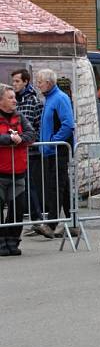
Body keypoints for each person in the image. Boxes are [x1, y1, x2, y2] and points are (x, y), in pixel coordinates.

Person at [11, 69, 51, 238]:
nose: (14, 84)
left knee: (28, 185)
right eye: (13, 81)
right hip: (17, 149)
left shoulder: (32, 100)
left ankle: (37, 220)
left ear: (26, 82)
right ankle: (33, 220)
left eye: (17, 81)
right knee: (23, 186)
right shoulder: (16, 99)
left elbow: (30, 125)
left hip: (29, 149)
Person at [35, 69, 75, 236]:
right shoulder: (51, 98)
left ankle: (51, 224)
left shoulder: (59, 98)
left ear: (49, 83)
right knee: (62, 186)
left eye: (40, 82)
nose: (38, 85)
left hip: (58, 150)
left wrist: (52, 142)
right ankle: (74, 223)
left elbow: (68, 124)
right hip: (52, 150)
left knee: (56, 186)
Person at [0, 85, 36, 256]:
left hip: (18, 172)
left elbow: (31, 134)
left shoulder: (20, 117)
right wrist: (8, 139)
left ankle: (13, 241)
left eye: (14, 97)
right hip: (1, 173)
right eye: (10, 97)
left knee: (17, 209)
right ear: (1, 101)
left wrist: (20, 139)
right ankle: (1, 243)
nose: (15, 100)